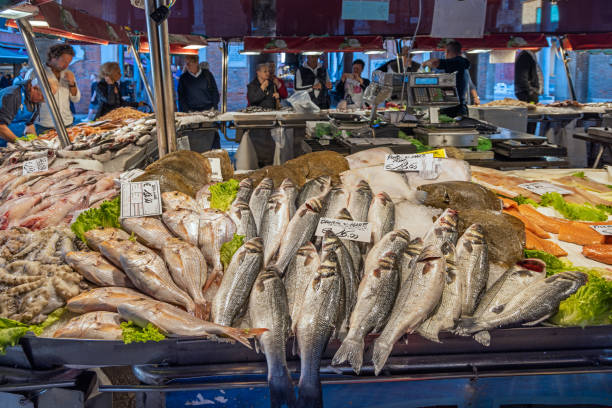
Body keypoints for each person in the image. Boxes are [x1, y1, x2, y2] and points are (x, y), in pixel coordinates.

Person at [36, 44, 80, 134]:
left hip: (67, 123)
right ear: (53, 57)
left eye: (69, 62)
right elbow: (29, 99)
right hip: (45, 125)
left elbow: (76, 99)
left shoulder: (68, 73)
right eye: (64, 61)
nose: (66, 65)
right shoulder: (36, 72)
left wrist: (72, 83)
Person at [423, 40, 471, 117]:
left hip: (455, 110)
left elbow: (436, 62)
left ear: (447, 51)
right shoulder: (460, 62)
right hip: (456, 108)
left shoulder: (458, 61)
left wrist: (425, 63)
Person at [0, 78, 44, 144]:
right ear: (34, 88)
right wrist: (18, 142)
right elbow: (1, 127)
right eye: (43, 97)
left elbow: (29, 125)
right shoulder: (12, 95)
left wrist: (35, 142)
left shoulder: (36, 101)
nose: (44, 101)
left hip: (14, 143)